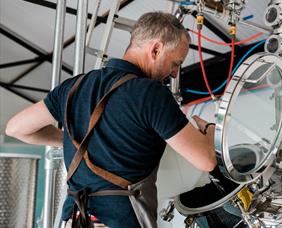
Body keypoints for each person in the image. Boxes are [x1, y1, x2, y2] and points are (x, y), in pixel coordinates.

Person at [6, 12, 217, 228]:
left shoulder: (73, 86)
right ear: (155, 49)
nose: (174, 74)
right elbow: (206, 160)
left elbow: (16, 129)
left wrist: (71, 140)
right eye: (175, 63)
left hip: (73, 219)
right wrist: (209, 129)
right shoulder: (150, 94)